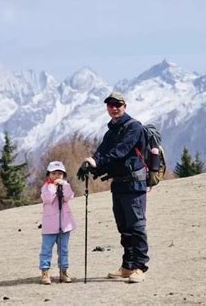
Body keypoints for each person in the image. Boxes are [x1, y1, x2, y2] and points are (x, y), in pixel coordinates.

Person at [80, 91, 149, 283]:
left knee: (136, 227)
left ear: (125, 106)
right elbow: (102, 152)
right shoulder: (111, 131)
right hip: (118, 184)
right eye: (110, 105)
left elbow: (121, 151)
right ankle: (128, 266)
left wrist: (97, 162)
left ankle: (140, 267)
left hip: (134, 184)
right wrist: (91, 164)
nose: (114, 108)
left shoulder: (134, 127)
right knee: (124, 227)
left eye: (118, 104)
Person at [39, 161, 77, 285]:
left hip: (64, 225)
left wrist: (64, 185)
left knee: (63, 249)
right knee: (46, 249)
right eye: (53, 173)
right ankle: (45, 272)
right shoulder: (46, 187)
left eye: (59, 173)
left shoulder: (65, 185)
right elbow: (48, 198)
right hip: (50, 226)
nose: (56, 176)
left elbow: (69, 196)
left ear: (63, 175)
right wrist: (53, 187)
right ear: (48, 174)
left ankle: (64, 271)